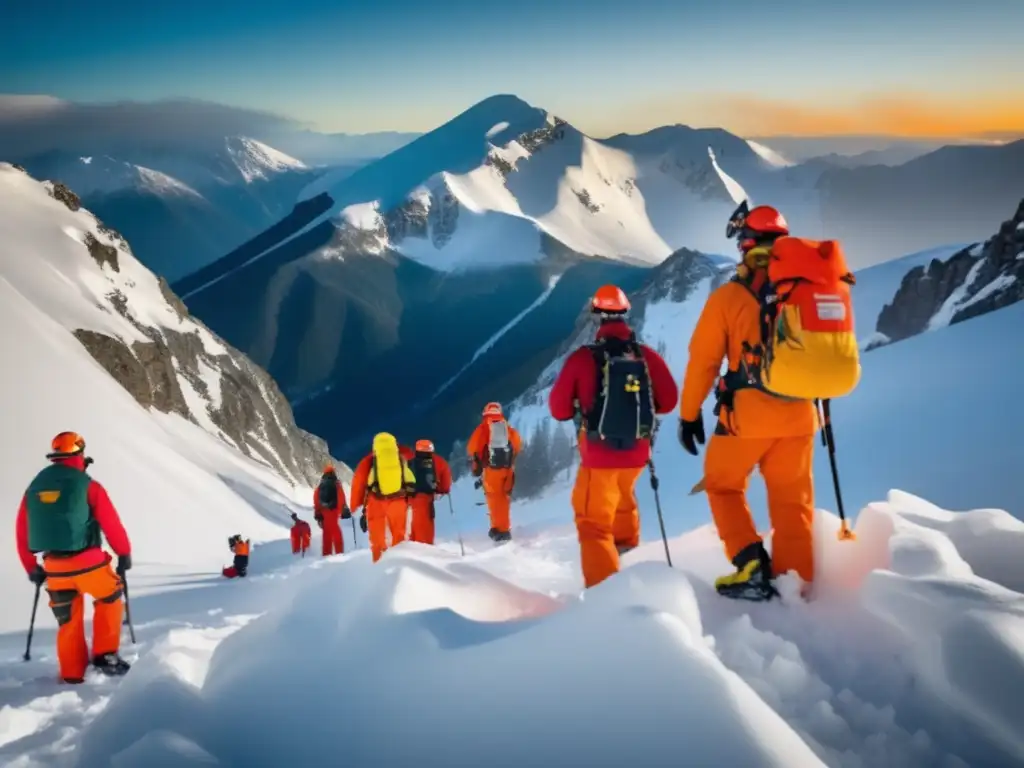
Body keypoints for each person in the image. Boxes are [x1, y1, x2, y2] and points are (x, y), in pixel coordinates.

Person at [678, 202, 820, 601]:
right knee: (793, 505)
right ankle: (798, 590)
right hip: (801, 419)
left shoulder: (730, 298)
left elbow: (704, 361)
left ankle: (750, 563)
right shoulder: (808, 291)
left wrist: (689, 416)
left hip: (748, 419)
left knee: (723, 485)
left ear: (746, 245)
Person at [549, 286, 678, 588]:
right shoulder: (645, 356)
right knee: (623, 497)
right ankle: (627, 551)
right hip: (637, 452)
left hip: (599, 453)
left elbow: (558, 409)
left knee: (593, 523)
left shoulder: (584, 359)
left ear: (596, 317)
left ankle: (605, 594)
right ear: (625, 315)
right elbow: (669, 400)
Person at [14, 431, 132, 683]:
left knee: (67, 619)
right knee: (110, 597)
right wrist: (123, 553)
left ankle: (72, 672)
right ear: (79, 453)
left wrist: (31, 566)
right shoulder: (88, 485)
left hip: (54, 570)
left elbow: (22, 529)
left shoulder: (35, 486)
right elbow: (111, 523)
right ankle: (105, 656)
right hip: (89, 563)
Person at [349, 433, 416, 562]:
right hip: (399, 501)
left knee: (378, 541)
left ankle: (379, 567)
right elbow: (410, 479)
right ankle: (401, 565)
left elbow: (358, 485)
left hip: (376, 502)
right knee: (399, 536)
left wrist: (355, 508)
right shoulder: (401, 458)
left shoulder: (368, 461)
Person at [467, 403, 522, 543]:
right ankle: (504, 527)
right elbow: (517, 444)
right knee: (504, 498)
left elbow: (473, 448)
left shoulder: (483, 428)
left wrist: (477, 466)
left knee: (494, 499)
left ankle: (500, 531)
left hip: (492, 470)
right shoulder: (506, 427)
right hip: (508, 468)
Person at [408, 439, 452, 545]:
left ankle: (409, 555)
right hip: (426, 501)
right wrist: (441, 490)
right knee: (424, 535)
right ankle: (424, 555)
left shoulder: (410, 462)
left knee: (411, 531)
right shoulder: (439, 462)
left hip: (409, 501)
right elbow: (446, 485)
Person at [313, 464, 349, 557]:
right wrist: (342, 510)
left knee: (326, 533)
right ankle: (339, 553)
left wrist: (318, 513)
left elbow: (316, 498)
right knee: (336, 532)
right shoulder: (336, 483)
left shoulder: (321, 484)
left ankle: (326, 555)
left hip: (323, 511)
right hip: (334, 511)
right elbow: (341, 497)